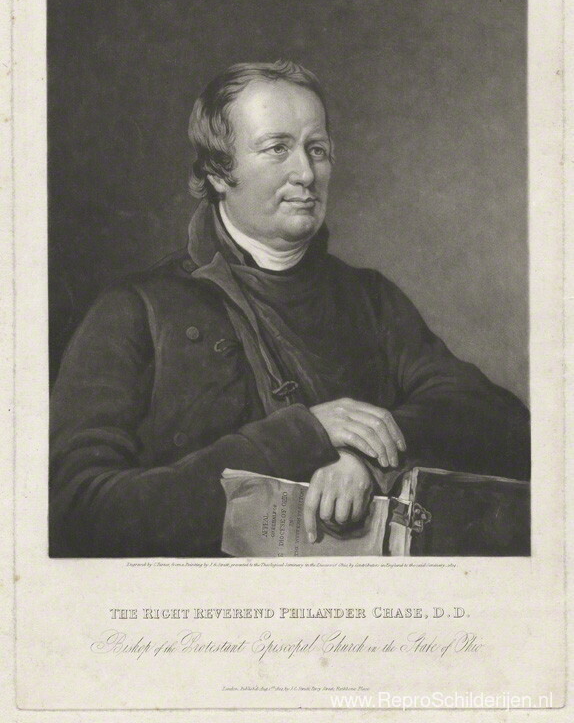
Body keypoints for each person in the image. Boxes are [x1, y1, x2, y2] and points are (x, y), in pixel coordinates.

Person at [49, 60, 530, 557]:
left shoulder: (370, 299)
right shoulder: (134, 311)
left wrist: (367, 456)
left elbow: (502, 424)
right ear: (218, 170)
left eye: (316, 149)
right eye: (277, 148)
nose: (305, 173)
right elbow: (77, 509)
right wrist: (307, 434)